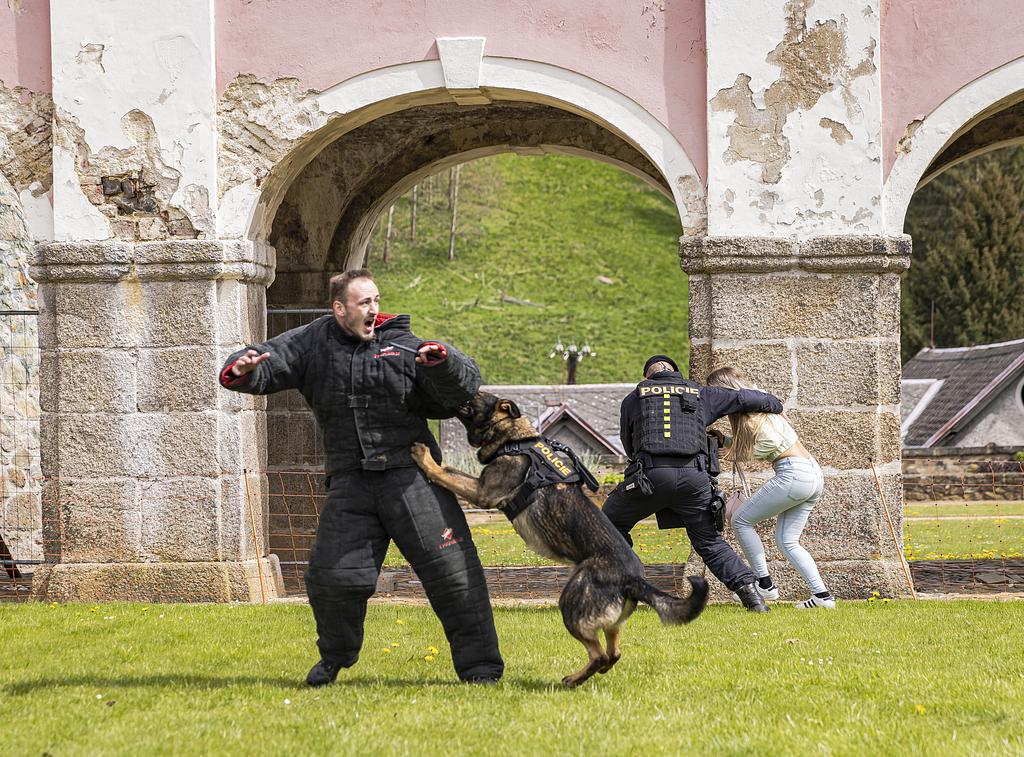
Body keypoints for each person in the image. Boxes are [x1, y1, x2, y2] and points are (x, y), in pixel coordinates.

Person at [219, 269, 504, 686]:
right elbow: (267, 362)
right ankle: (335, 657)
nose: (374, 309)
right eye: (364, 302)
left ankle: (481, 669)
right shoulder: (312, 342)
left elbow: (462, 388)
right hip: (351, 481)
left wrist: (442, 362)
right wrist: (241, 368)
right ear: (339, 308)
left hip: (413, 477)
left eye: (376, 300)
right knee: (332, 579)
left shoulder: (404, 344)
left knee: (454, 573)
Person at [601, 355, 786, 613]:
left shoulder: (634, 398)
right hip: (694, 480)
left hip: (650, 479)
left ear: (647, 377)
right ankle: (752, 596)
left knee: (608, 525)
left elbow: (629, 445)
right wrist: (774, 403)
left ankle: (630, 582)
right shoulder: (701, 394)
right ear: (676, 373)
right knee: (709, 541)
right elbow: (743, 398)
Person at [706, 366, 835, 609]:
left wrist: (732, 454)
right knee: (788, 541)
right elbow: (764, 441)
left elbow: (769, 443)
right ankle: (822, 597)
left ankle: (764, 585)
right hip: (811, 473)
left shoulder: (751, 414)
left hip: (793, 473)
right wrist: (726, 441)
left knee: (741, 520)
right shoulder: (761, 403)